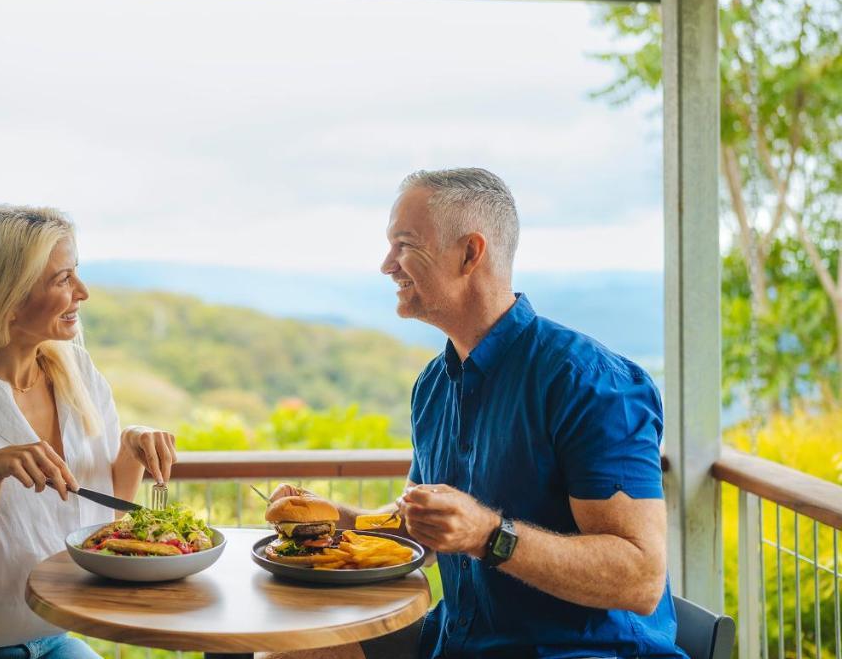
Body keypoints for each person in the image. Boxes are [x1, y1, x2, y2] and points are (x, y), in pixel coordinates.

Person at [268, 167, 684, 659]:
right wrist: (340, 520)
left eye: (404, 244)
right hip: (458, 643)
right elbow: (420, 526)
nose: (387, 264)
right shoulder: (433, 385)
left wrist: (490, 536)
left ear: (470, 253)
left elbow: (639, 578)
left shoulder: (592, 383)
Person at [0, 205, 177, 659]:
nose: (82, 292)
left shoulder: (77, 373)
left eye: (75, 274)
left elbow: (107, 523)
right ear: (9, 297)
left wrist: (130, 447)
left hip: (57, 637)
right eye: (63, 280)